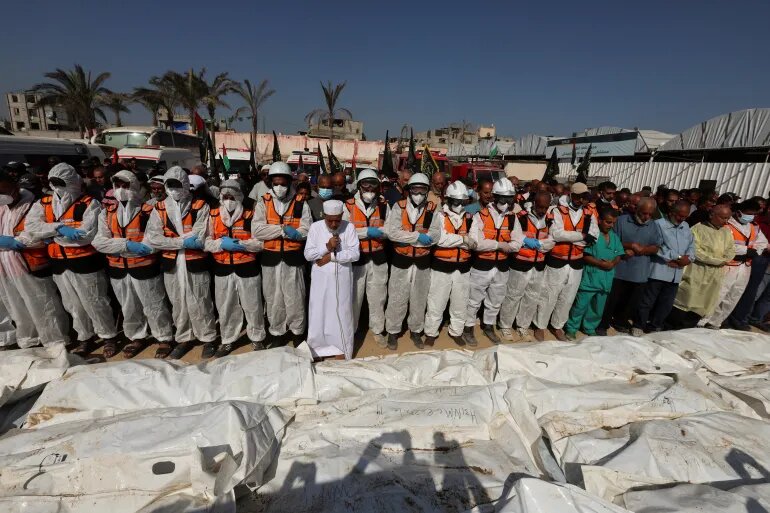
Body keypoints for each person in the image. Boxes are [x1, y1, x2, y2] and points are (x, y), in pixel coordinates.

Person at [24, 162, 118, 357]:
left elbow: (86, 234)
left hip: (85, 262)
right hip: (59, 262)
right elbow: (31, 228)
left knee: (95, 301)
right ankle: (85, 336)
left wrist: (49, 234)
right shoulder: (44, 203)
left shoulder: (89, 203)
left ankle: (108, 335)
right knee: (72, 304)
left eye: (62, 182)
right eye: (55, 183)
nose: (58, 187)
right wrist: (58, 228)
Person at [92, 170, 173, 358]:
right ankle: (136, 336)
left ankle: (163, 337)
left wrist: (116, 246)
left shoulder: (148, 211)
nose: (121, 190)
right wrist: (126, 245)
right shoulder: (107, 213)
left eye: (125, 186)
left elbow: (152, 243)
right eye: (118, 186)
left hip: (144, 266)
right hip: (118, 268)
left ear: (135, 186)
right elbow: (99, 242)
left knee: (154, 304)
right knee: (128, 306)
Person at [144, 166, 218, 359]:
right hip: (172, 264)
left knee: (201, 301)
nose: (174, 189)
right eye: (170, 185)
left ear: (185, 184)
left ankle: (208, 338)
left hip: (195, 262)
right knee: (178, 302)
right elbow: (153, 238)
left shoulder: (200, 206)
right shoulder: (159, 208)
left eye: (177, 185)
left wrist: (171, 240)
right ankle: (184, 338)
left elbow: (200, 234)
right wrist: (182, 242)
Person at [0, 171, 68, 348]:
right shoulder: (2, 207)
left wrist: (15, 241)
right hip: (7, 268)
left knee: (43, 304)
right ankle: (29, 339)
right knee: (17, 305)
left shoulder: (33, 204)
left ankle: (55, 341)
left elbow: (37, 235)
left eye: (4, 191)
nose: (2, 196)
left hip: (30, 263)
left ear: (14, 186)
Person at [204, 180, 266, 357]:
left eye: (232, 197)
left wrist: (242, 245)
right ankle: (228, 340)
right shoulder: (213, 215)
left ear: (239, 197)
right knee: (226, 306)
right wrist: (220, 244)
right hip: (223, 268)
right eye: (225, 197)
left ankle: (257, 338)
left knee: (253, 305)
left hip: (247, 267)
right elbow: (206, 242)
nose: (229, 200)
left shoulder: (250, 214)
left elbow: (260, 242)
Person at [252, 161, 311, 344]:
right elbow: (257, 230)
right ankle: (277, 333)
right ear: (270, 183)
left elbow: (306, 229)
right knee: (273, 298)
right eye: (275, 183)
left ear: (289, 182)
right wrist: (282, 230)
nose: (279, 187)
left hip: (293, 258)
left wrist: (297, 234)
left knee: (296, 298)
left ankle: (297, 333)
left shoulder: (300, 202)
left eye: (283, 183)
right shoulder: (264, 201)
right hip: (271, 257)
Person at [383, 172, 440, 350]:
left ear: (427, 191)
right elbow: (392, 233)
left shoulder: (432, 208)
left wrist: (407, 238)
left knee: (419, 297)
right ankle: (393, 331)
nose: (418, 194)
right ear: (409, 190)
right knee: (397, 296)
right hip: (401, 259)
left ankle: (416, 330)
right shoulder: (398, 207)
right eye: (415, 189)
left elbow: (435, 235)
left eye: (422, 190)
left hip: (422, 260)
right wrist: (416, 237)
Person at [464, 178, 523, 345]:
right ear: (495, 197)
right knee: (474, 299)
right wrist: (501, 245)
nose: (506, 203)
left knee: (495, 299)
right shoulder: (480, 215)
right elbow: (476, 243)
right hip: (481, 265)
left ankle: (488, 326)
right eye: (503, 199)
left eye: (509, 199)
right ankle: (468, 327)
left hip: (502, 266)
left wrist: (501, 246)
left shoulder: (512, 218)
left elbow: (517, 243)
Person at [540, 182, 599, 341]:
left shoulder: (589, 213)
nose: (581, 200)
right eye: (578, 197)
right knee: (549, 294)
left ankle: (557, 326)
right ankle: (540, 325)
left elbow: (594, 236)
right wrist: (582, 236)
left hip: (576, 262)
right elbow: (556, 234)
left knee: (568, 297)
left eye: (584, 197)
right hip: (557, 259)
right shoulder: (557, 210)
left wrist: (572, 237)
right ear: (571, 195)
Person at [697, 199, 767, 329]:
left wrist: (754, 251)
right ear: (739, 212)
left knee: (733, 296)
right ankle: (701, 321)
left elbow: (762, 243)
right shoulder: (727, 224)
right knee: (717, 295)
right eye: (749, 214)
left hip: (745, 266)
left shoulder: (754, 227)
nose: (751, 217)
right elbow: (723, 244)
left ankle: (716, 323)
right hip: (728, 265)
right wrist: (745, 250)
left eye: (754, 214)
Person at [304, 200, 359, 360]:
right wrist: (327, 247)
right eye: (330, 220)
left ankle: (342, 348)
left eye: (337, 220)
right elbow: (308, 254)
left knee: (342, 312)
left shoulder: (349, 227)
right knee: (319, 312)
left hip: (342, 278)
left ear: (342, 215)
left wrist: (331, 257)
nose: (334, 224)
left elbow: (355, 254)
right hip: (321, 279)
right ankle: (317, 349)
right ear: (324, 216)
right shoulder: (315, 227)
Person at [423, 181, 477, 347]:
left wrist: (462, 241)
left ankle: (456, 331)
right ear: (448, 200)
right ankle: (431, 332)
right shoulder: (439, 216)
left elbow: (475, 241)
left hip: (463, 267)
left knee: (460, 302)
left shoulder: (470, 218)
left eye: (463, 202)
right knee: (436, 301)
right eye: (456, 201)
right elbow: (440, 239)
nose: (460, 205)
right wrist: (463, 240)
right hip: (442, 267)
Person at [598, 197, 662, 334]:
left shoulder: (653, 225)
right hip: (619, 269)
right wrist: (628, 246)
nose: (646, 217)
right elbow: (611, 239)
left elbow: (656, 247)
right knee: (611, 300)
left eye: (650, 214)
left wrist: (643, 250)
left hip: (640, 271)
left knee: (631, 301)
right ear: (637, 209)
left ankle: (620, 321)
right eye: (644, 213)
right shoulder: (621, 221)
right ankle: (602, 324)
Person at [342, 169, 390, 346]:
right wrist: (366, 232)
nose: (369, 188)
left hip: (378, 257)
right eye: (365, 184)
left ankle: (377, 329)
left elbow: (390, 229)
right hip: (357, 258)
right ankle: (352, 330)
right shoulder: (348, 205)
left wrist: (380, 233)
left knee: (378, 296)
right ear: (359, 186)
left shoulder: (384, 205)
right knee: (354, 297)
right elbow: (344, 232)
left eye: (373, 185)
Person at [498, 191, 554, 342]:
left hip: (538, 263)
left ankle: (523, 326)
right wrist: (525, 241)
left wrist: (539, 245)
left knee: (532, 296)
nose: (543, 210)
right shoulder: (521, 217)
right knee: (513, 295)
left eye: (546, 207)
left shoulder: (549, 220)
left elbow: (551, 241)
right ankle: (505, 326)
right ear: (534, 203)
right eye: (540, 206)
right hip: (520, 262)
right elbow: (514, 236)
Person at [633, 200, 695, 335]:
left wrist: (688, 259)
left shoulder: (685, 226)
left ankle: (655, 326)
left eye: (685, 216)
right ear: (672, 212)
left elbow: (691, 246)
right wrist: (678, 257)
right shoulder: (658, 224)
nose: (682, 219)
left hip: (676, 273)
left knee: (666, 303)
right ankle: (639, 324)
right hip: (659, 270)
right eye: (680, 216)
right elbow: (658, 246)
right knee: (647, 301)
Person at [668, 205, 735, 328]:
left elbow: (731, 250)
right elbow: (695, 251)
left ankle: (688, 329)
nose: (726, 221)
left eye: (728, 218)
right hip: (696, 271)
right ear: (712, 215)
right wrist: (718, 260)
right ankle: (671, 327)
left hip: (715, 275)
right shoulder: (697, 229)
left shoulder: (726, 232)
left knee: (704, 303)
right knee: (686, 300)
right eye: (723, 218)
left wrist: (723, 259)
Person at [564, 208, 626, 340]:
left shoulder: (614, 237)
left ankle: (589, 327)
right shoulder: (592, 235)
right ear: (600, 220)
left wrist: (612, 263)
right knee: (580, 306)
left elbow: (619, 254)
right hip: (591, 278)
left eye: (613, 223)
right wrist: (600, 263)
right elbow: (585, 255)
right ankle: (571, 328)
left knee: (597, 307)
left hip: (606, 280)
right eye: (608, 222)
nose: (611, 225)